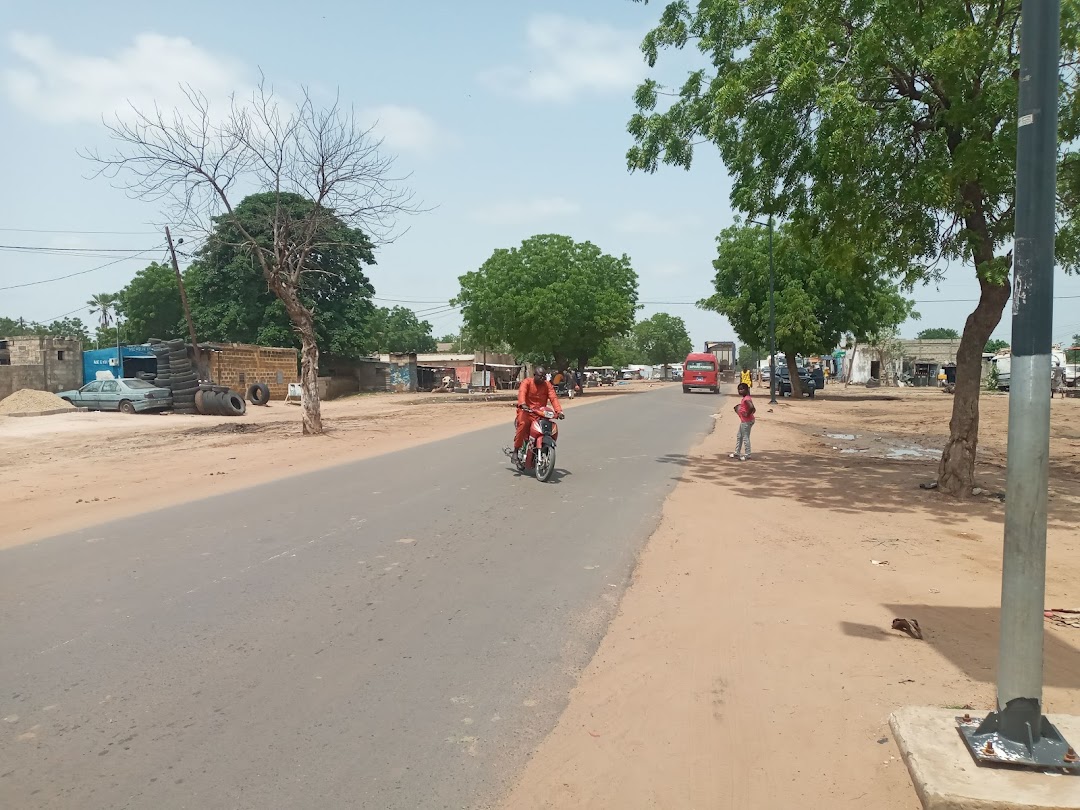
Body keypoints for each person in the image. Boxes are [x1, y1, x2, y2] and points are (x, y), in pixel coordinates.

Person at [514, 365, 563, 458]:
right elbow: (522, 393)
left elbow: (553, 398)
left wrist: (559, 411)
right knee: (523, 424)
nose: (542, 378)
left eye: (544, 376)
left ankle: (544, 446)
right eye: (540, 376)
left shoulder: (547, 384)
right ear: (534, 375)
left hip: (540, 413)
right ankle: (516, 451)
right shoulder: (527, 382)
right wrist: (523, 404)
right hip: (527, 412)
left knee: (549, 428)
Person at [730, 382, 756, 461]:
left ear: (747, 390)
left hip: (746, 421)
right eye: (739, 389)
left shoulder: (747, 399)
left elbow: (752, 407)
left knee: (745, 437)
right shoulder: (745, 398)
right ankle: (737, 452)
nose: (740, 391)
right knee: (739, 436)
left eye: (742, 389)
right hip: (744, 421)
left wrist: (747, 414)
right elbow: (753, 409)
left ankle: (747, 454)